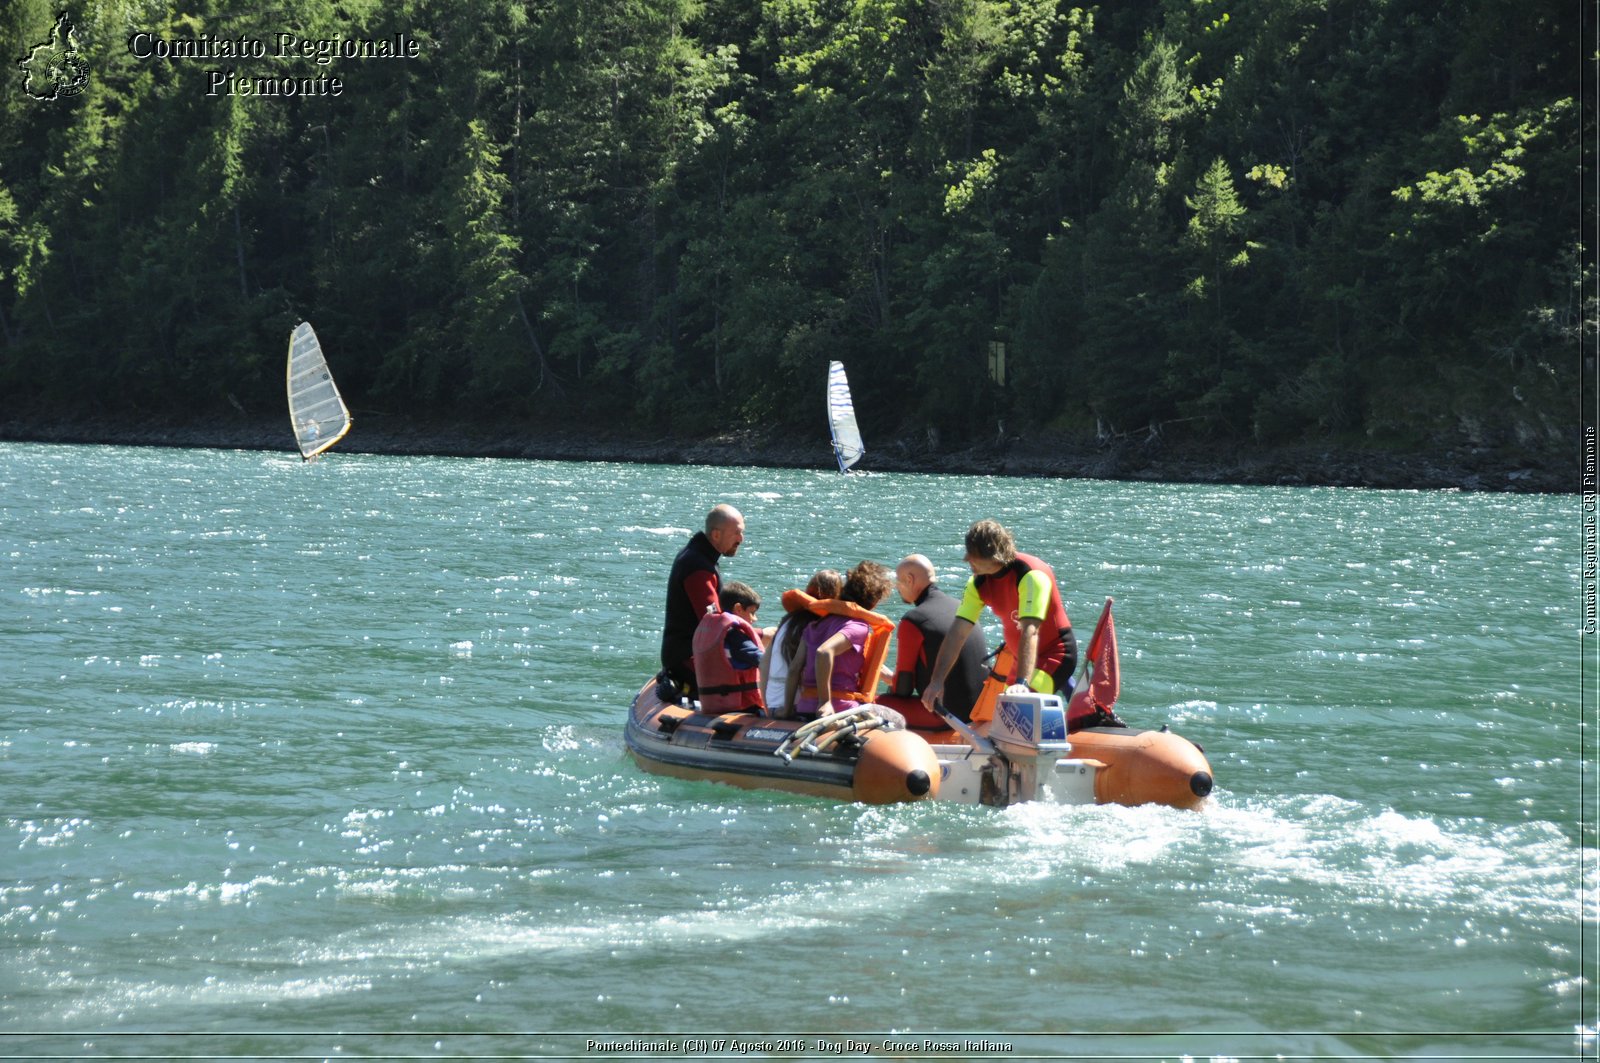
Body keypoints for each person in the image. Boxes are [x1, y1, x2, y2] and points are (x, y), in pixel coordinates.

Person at [920, 519, 1076, 716]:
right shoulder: (978, 583)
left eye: (973, 554)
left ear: (993, 554)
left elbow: (1031, 631)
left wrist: (1022, 683)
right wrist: (936, 681)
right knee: (1000, 720)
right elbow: (957, 632)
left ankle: (1070, 696)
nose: (966, 559)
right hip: (1021, 660)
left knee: (1015, 714)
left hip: (1055, 656)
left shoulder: (1030, 575)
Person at [784, 560, 896, 719]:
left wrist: (787, 710)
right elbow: (824, 651)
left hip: (804, 707)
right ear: (874, 601)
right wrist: (824, 702)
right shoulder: (857, 626)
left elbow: (794, 669)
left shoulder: (815, 625)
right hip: (839, 709)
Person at [659, 504, 745, 698]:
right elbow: (713, 622)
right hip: (686, 659)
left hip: (685, 654)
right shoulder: (698, 566)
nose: (741, 539)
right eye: (737, 533)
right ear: (716, 535)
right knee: (745, 682)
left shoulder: (697, 555)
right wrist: (759, 635)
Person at [890, 554, 988, 722]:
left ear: (909, 579)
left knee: (875, 706)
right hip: (979, 710)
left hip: (946, 716)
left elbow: (903, 689)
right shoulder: (961, 608)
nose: (897, 587)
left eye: (898, 581)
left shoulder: (914, 620)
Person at [759, 568, 843, 712]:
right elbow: (800, 670)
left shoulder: (787, 621)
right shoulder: (818, 627)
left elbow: (764, 665)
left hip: (773, 702)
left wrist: (767, 705)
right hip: (795, 706)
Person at [691, 581, 765, 714]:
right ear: (738, 609)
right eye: (752, 612)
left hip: (713, 704)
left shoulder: (714, 630)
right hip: (743, 707)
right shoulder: (736, 637)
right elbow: (762, 661)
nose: (755, 618)